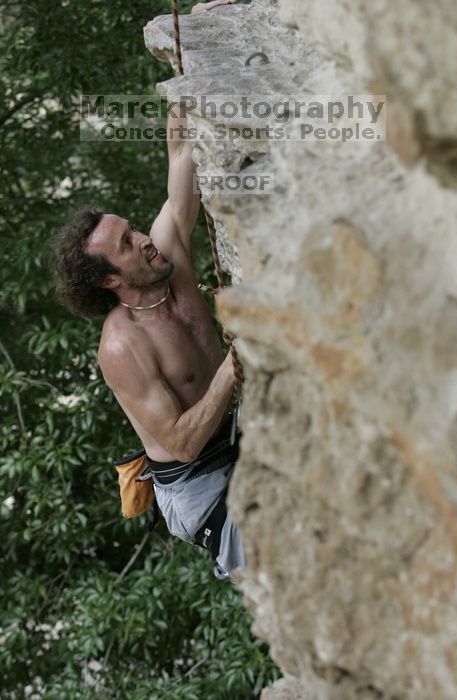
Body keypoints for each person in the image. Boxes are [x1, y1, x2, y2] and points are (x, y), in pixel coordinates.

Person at [54, 0, 244, 580]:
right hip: (203, 484)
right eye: (127, 244)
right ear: (111, 281)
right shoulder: (123, 347)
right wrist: (238, 365)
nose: (144, 239)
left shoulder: (167, 257)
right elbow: (183, 443)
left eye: (131, 229)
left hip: (240, 434)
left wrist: (191, 45)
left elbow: (182, 154)